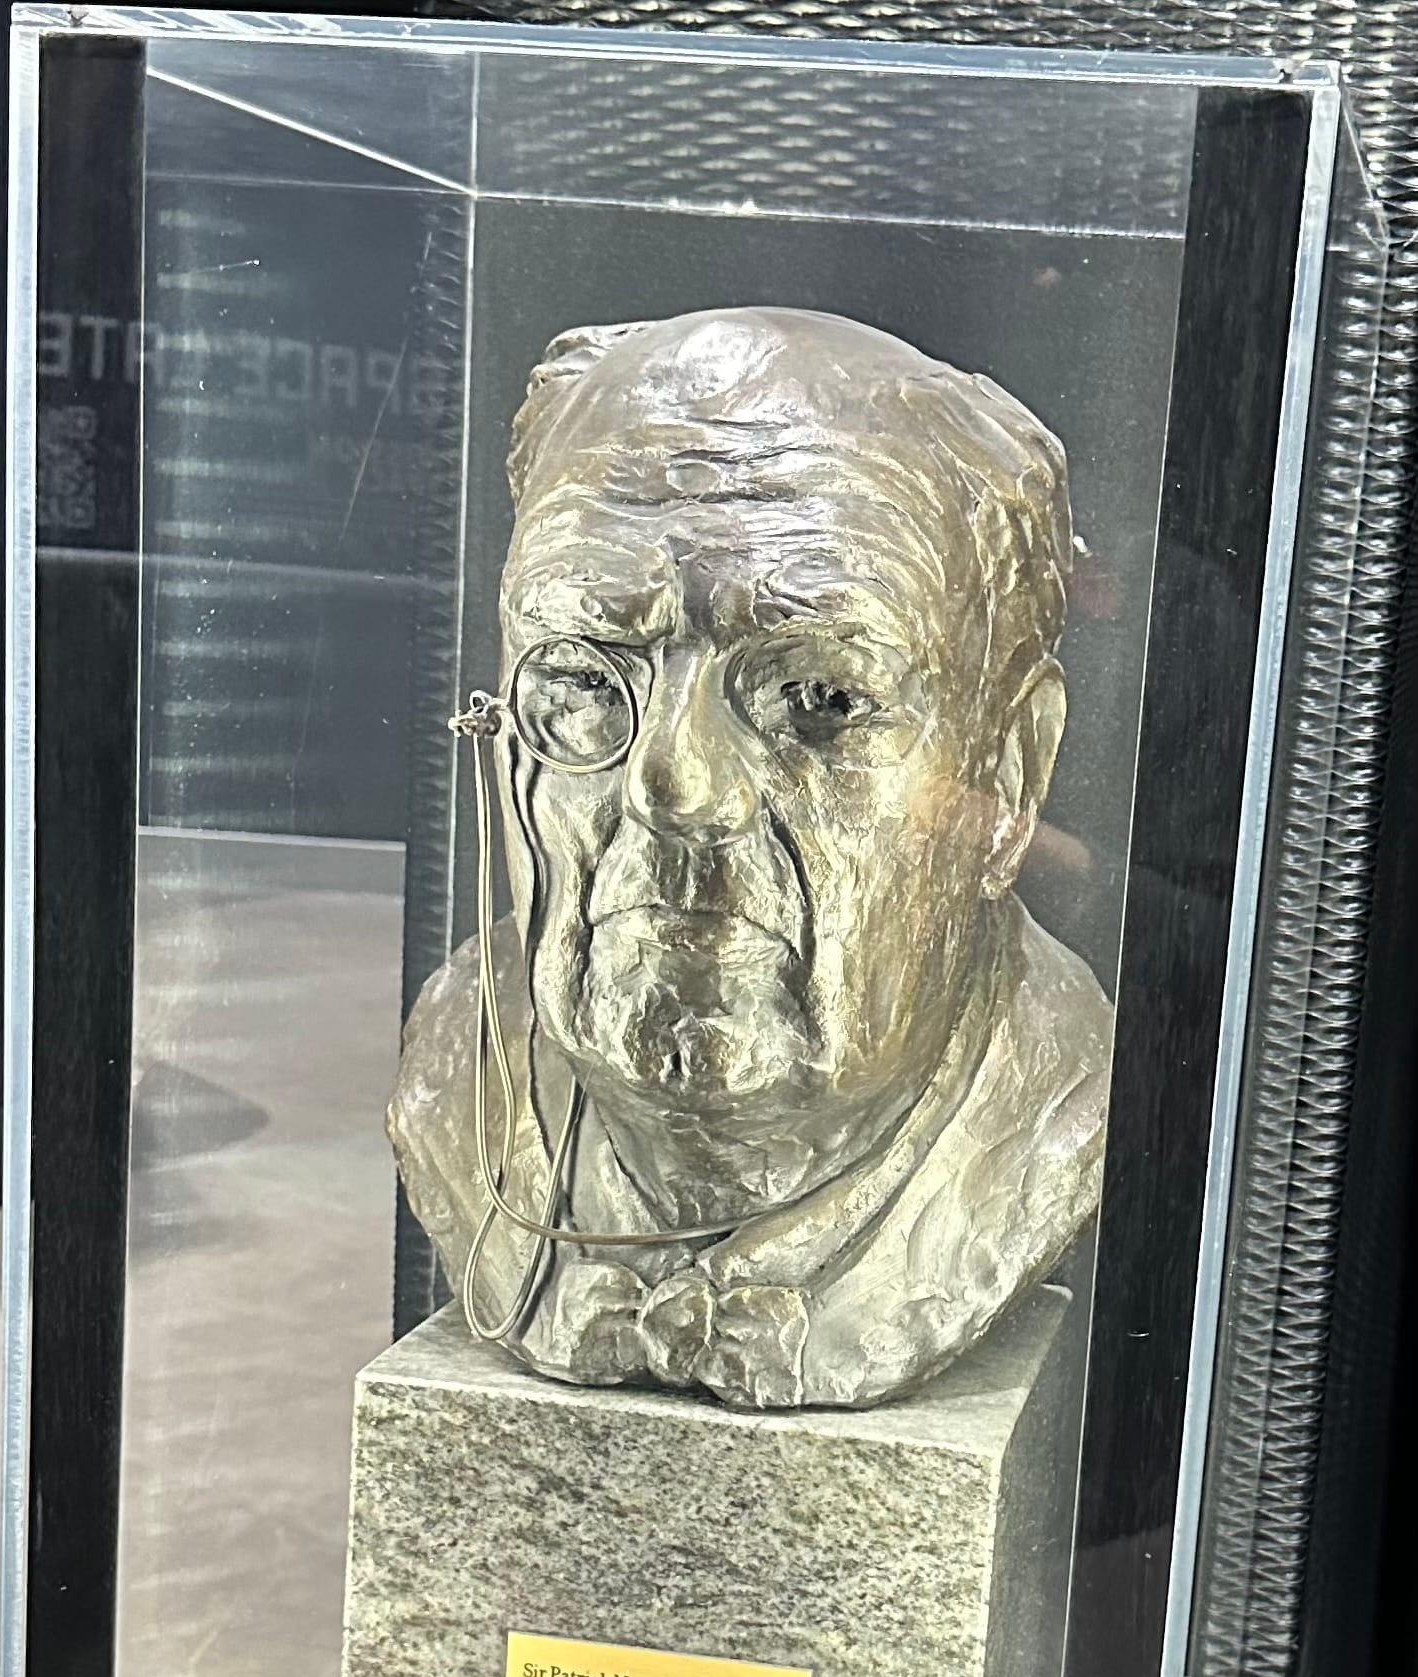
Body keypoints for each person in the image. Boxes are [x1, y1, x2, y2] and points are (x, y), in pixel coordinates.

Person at [392, 307, 1112, 1409]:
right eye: (583, 680)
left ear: (1006, 775)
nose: (674, 788)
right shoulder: (463, 1067)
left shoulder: (1066, 1108)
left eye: (818, 698)